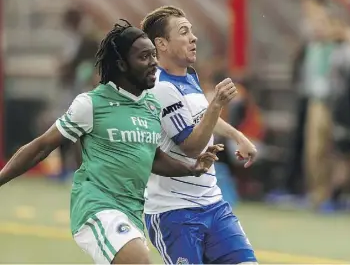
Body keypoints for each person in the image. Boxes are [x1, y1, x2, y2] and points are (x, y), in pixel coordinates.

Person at [0, 20, 224, 264]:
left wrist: (192, 168)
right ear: (121, 64)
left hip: (131, 213)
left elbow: (153, 158)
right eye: (144, 57)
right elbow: (42, 146)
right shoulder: (91, 104)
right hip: (96, 208)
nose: (153, 63)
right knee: (137, 259)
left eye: (153, 55)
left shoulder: (150, 105)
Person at [140, 6, 258, 264]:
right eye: (184, 32)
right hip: (174, 213)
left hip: (213, 204)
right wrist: (217, 104)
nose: (193, 38)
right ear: (161, 44)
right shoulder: (161, 88)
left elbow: (202, 118)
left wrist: (238, 136)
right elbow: (191, 147)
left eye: (192, 31)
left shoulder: (188, 76)